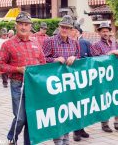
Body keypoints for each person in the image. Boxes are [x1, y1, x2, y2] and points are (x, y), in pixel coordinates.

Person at [0, 11, 46, 144]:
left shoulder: (36, 43)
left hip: (33, 86)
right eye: (20, 24)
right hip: (17, 84)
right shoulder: (8, 44)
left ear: (30, 26)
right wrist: (17, 69)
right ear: (16, 25)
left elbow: (43, 63)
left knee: (31, 117)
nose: (23, 27)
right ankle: (12, 138)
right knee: (20, 117)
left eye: (26, 24)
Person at [43, 15, 80, 145]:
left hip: (69, 83)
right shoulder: (50, 41)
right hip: (54, 84)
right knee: (57, 113)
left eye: (68, 28)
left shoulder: (75, 42)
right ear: (59, 27)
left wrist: (74, 58)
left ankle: (66, 138)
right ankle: (58, 140)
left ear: (71, 30)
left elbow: (79, 59)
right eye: (63, 27)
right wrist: (54, 59)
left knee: (68, 111)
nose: (65, 29)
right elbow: (42, 60)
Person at [90, 22, 118, 133]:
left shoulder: (114, 43)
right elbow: (96, 60)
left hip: (115, 75)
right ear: (99, 32)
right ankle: (105, 124)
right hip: (103, 77)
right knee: (105, 99)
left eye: (107, 31)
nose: (105, 33)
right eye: (103, 31)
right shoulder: (95, 45)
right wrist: (112, 52)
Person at [69, 22, 90, 141]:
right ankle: (76, 131)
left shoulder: (84, 43)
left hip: (83, 78)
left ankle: (81, 128)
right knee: (74, 105)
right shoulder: (67, 44)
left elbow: (92, 57)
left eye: (73, 30)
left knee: (83, 105)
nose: (72, 32)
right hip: (70, 80)